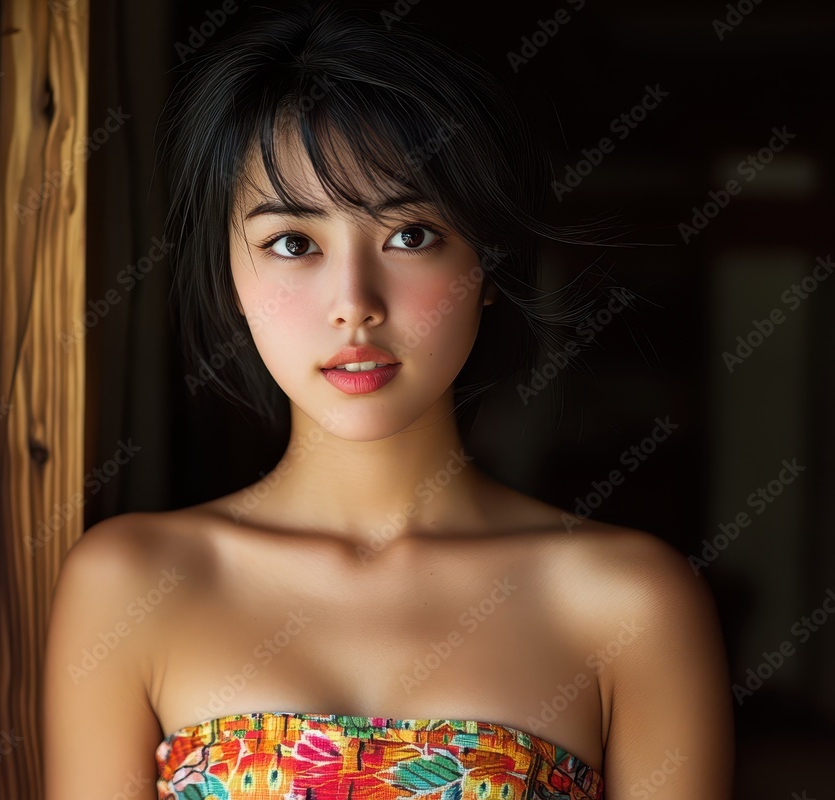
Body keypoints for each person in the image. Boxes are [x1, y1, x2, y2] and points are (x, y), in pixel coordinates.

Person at [42, 3, 734, 798]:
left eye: (410, 235)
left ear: (489, 269)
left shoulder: (631, 604)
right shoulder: (131, 584)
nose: (354, 303)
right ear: (230, 277)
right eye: (293, 243)